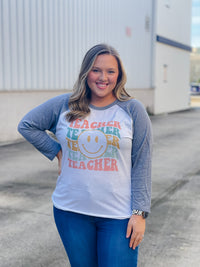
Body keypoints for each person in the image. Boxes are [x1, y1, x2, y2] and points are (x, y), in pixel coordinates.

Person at [18, 43, 152, 267]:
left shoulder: (132, 109)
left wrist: (139, 213)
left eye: (111, 71)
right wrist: (57, 151)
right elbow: (27, 125)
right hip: (71, 211)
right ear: (86, 72)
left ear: (119, 76)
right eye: (96, 70)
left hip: (118, 215)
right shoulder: (65, 105)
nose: (103, 77)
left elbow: (142, 162)